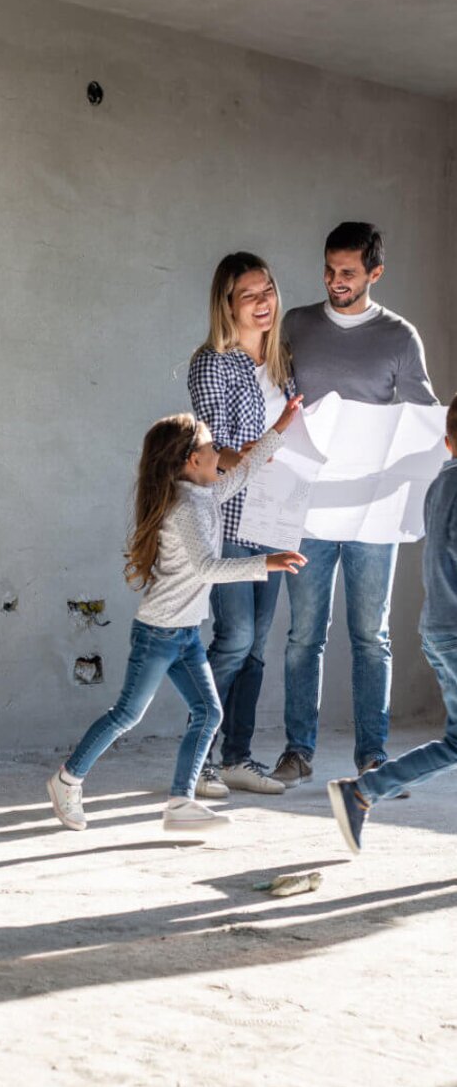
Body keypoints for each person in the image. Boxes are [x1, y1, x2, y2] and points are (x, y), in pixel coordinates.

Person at [46, 401, 306, 834]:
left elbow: (242, 474)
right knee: (127, 714)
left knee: (208, 712)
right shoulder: (185, 508)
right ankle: (66, 780)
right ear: (193, 460)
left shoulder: (203, 494)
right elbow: (206, 568)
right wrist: (266, 563)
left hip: (184, 633)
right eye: (211, 446)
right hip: (159, 633)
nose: (219, 453)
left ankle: (180, 804)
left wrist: (280, 427)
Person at [271, 222, 438, 790]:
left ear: (375, 273)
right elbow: (275, 397)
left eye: (348, 273)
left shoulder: (398, 336)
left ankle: (372, 756)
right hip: (307, 507)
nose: (334, 282)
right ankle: (298, 752)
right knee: (302, 636)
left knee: (372, 637)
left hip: (373, 511)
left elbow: (423, 417)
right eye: (328, 269)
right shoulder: (298, 324)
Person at [327, 392, 457, 851]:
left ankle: (363, 792)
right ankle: (361, 791)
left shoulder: (441, 482)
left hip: (439, 626)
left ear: (447, 441)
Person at [188, 253, 297, 799]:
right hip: (230, 516)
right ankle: (198, 759)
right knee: (234, 638)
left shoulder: (281, 364)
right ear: (227, 304)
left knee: (256, 647)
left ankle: (237, 758)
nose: (263, 303)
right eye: (250, 295)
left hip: (274, 517)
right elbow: (214, 452)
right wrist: (261, 451)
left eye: (268, 291)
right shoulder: (213, 363)